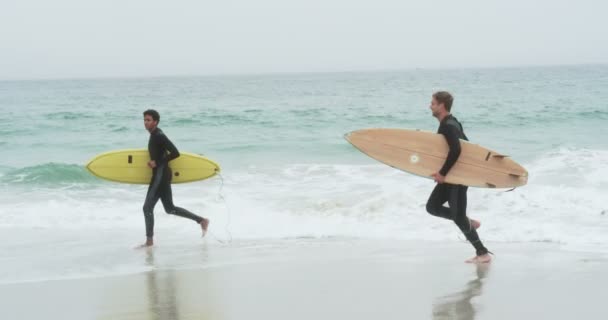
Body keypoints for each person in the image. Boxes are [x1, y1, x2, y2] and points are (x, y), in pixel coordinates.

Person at [425, 92, 491, 263]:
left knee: (456, 215)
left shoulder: (448, 126)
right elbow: (467, 145)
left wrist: (442, 173)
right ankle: (467, 221)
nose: (429, 106)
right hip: (453, 175)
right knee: (432, 207)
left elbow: (457, 149)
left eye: (432, 103)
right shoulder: (452, 122)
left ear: (441, 105)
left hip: (457, 178)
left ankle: (482, 253)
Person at [139, 109, 209, 247]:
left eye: (148, 120)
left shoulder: (158, 135)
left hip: (160, 174)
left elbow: (175, 153)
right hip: (162, 174)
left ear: (156, 121)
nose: (145, 123)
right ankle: (201, 220)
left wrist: (157, 162)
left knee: (147, 208)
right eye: (144, 120)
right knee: (169, 208)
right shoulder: (154, 134)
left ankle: (149, 242)